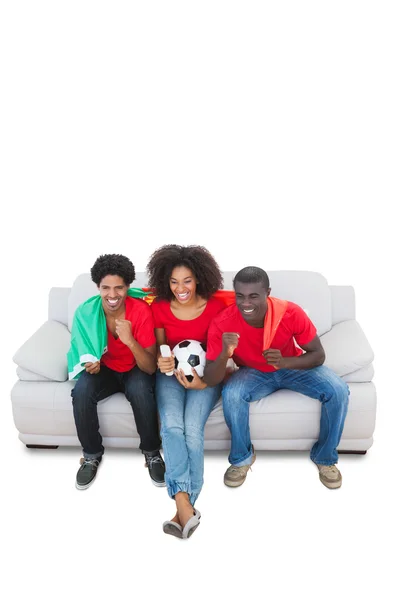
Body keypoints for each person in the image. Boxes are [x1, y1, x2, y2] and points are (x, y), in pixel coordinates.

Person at [203, 266, 349, 490]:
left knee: (338, 390)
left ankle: (325, 458)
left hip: (292, 365)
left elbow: (318, 355)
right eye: (240, 296)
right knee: (232, 394)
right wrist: (225, 352)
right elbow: (211, 378)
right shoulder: (223, 323)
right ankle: (242, 459)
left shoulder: (289, 312)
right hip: (253, 372)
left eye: (254, 296)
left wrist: (285, 362)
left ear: (267, 292)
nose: (246, 303)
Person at [147, 244, 225, 538]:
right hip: (170, 376)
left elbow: (220, 357)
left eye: (187, 280)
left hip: (205, 378)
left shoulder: (216, 307)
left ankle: (183, 505)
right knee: (173, 426)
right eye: (174, 281)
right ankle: (185, 504)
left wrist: (202, 382)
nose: (181, 288)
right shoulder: (160, 307)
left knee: (192, 428)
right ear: (166, 281)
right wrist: (161, 359)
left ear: (199, 278)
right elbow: (160, 347)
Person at [71, 254, 165, 490]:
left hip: (135, 368)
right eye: (106, 288)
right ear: (97, 287)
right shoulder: (86, 312)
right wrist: (89, 364)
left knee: (141, 391)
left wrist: (130, 341)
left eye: (119, 288)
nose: (112, 295)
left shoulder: (141, 311)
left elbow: (150, 366)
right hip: (106, 369)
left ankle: (152, 453)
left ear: (127, 287)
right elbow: (82, 350)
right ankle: (91, 455)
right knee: (81, 392)